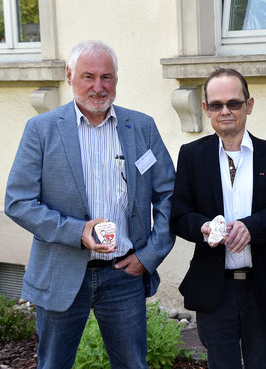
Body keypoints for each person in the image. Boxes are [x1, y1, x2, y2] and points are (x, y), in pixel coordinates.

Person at [4, 40, 175, 369]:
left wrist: (150, 254)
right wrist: (76, 231)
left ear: (116, 79)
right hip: (62, 271)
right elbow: (18, 201)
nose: (99, 87)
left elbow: (168, 192)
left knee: (133, 365)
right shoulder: (41, 130)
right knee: (53, 364)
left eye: (106, 77)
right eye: (88, 76)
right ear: (69, 76)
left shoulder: (141, 127)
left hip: (124, 274)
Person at [170, 68, 266, 369]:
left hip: (263, 287)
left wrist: (251, 227)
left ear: (249, 105)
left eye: (234, 103)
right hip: (214, 289)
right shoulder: (192, 155)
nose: (225, 111)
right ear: (206, 109)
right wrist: (202, 227)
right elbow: (178, 215)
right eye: (216, 105)